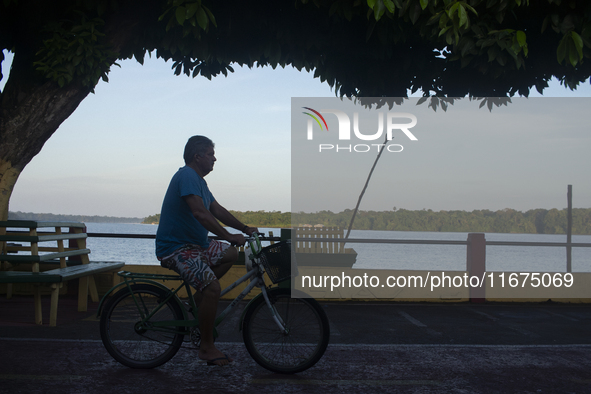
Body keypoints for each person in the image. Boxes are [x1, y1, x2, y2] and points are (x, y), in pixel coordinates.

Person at [156, 135, 258, 366]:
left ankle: (199, 298)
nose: (215, 159)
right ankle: (206, 347)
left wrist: (243, 228)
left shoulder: (199, 181)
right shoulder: (187, 175)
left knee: (231, 253)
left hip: (197, 247)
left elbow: (215, 209)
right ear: (197, 156)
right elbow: (200, 213)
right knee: (214, 288)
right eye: (211, 154)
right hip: (177, 248)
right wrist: (229, 235)